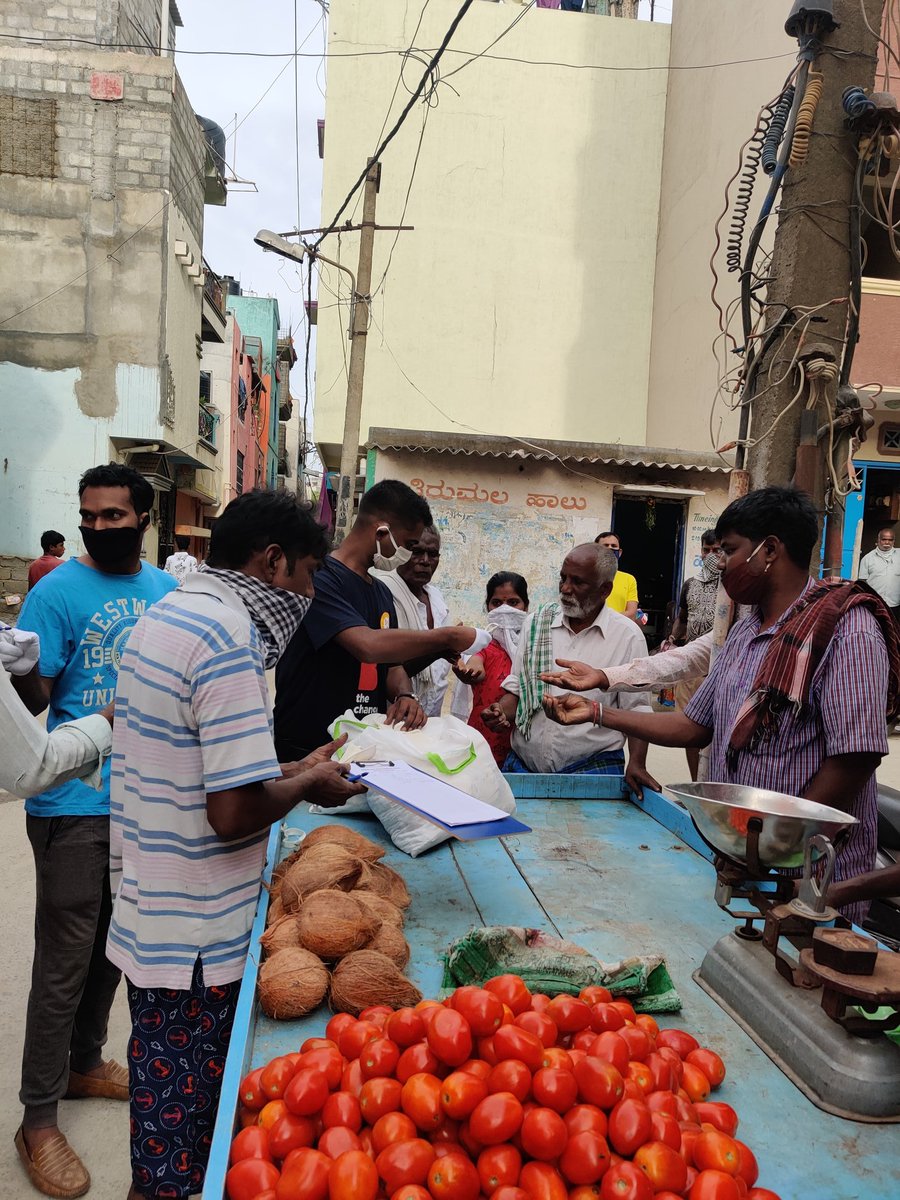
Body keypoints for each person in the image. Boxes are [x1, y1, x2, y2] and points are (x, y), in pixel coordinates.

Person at [106, 490, 365, 1200]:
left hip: (150, 913)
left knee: (162, 1138)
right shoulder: (227, 638)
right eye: (310, 574)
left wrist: (289, 766)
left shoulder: (170, 611)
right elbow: (231, 812)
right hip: (192, 941)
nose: (310, 593)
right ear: (274, 561)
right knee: (179, 1163)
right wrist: (309, 784)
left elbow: (196, 764)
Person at [542, 487, 900, 925]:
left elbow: (855, 758)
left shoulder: (849, 630)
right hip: (746, 865)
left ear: (769, 550)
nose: (719, 563)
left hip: (811, 882)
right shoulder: (745, 629)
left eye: (729, 551)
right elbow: (696, 725)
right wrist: (597, 710)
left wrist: (777, 847)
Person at [11, 463, 178, 1200]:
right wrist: (19, 671)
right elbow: (39, 699)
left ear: (144, 517)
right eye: (90, 515)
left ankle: (86, 1060)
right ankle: (38, 1119)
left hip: (144, 801)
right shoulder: (55, 592)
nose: (101, 525)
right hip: (73, 802)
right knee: (64, 963)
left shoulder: (167, 593)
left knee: (118, 943)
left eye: (115, 515)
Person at [274, 480, 477, 759]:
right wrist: (445, 637)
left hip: (360, 746)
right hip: (307, 748)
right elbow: (367, 646)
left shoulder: (380, 591)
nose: (408, 554)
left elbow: (391, 666)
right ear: (382, 531)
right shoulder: (319, 579)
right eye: (409, 545)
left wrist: (405, 696)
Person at [481, 544, 657, 791]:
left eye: (578, 582)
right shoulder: (536, 623)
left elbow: (637, 708)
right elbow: (519, 690)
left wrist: (638, 763)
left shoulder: (627, 636)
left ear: (605, 589)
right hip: (524, 765)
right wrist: (500, 711)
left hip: (594, 767)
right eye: (563, 578)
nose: (565, 588)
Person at [0, 625, 112, 798]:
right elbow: (31, 770)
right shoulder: (46, 599)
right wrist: (111, 717)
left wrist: (26, 672)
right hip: (73, 800)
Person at [372, 525, 454, 716]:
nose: (425, 561)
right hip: (393, 714)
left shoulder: (436, 597)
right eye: (416, 552)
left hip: (430, 716)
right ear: (402, 552)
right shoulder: (384, 592)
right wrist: (440, 646)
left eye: (432, 554)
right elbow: (388, 666)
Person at [453, 572, 531, 766]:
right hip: (484, 737)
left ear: (526, 606)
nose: (505, 609)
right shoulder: (483, 645)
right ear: (487, 606)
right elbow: (476, 667)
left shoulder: (534, 648)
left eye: (513, 602)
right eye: (497, 603)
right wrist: (468, 671)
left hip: (523, 745)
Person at [670, 529, 722, 779]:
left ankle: (712, 785)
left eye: (717, 550)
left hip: (718, 669)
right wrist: (671, 640)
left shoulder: (731, 586)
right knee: (688, 730)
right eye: (706, 550)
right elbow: (682, 618)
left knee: (715, 734)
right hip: (691, 669)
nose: (711, 556)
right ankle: (695, 783)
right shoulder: (691, 584)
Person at [595, 531, 639, 620]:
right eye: (605, 546)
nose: (610, 548)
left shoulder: (629, 579)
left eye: (614, 546)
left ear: (619, 552)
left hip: (618, 631)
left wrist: (604, 619)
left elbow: (631, 614)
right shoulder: (586, 576)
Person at [858, 526, 900, 619]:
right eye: (884, 539)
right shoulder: (868, 558)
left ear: (894, 541)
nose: (887, 542)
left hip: (895, 605)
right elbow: (862, 582)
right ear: (878, 540)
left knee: (894, 631)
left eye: (890, 540)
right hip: (875, 604)